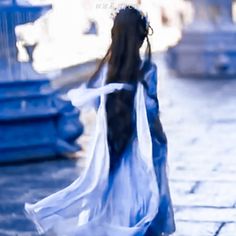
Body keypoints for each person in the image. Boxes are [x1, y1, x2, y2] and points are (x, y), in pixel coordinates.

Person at [25, 6, 175, 236]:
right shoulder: (146, 70)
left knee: (112, 198)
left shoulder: (107, 71)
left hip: (113, 146)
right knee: (142, 197)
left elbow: (98, 106)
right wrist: (160, 140)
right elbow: (151, 113)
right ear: (141, 37)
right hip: (138, 149)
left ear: (114, 36)